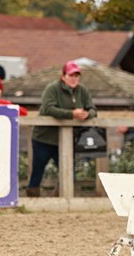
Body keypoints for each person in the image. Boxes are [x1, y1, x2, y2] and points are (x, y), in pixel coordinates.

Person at [27, 61, 97, 197]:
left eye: (77, 76)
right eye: (71, 75)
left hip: (66, 140)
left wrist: (87, 114)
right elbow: (48, 108)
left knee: (69, 171)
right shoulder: (52, 88)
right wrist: (71, 114)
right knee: (38, 170)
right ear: (63, 76)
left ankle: (60, 198)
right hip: (44, 138)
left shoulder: (82, 90)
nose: (74, 78)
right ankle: (32, 199)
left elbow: (93, 108)